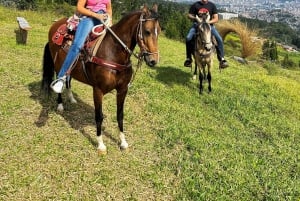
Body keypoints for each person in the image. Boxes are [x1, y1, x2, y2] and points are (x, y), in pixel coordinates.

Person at [51, 0, 112, 93]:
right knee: (77, 45)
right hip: (89, 19)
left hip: (104, 20)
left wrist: (110, 19)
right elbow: (79, 7)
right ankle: (61, 78)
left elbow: (109, 9)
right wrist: (96, 15)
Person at [184, 0, 229, 68]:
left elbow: (216, 18)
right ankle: (189, 58)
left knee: (219, 39)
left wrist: (207, 23)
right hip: (197, 25)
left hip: (209, 26)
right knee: (188, 38)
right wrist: (195, 18)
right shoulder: (196, 5)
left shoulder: (212, 5)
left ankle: (222, 60)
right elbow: (189, 15)